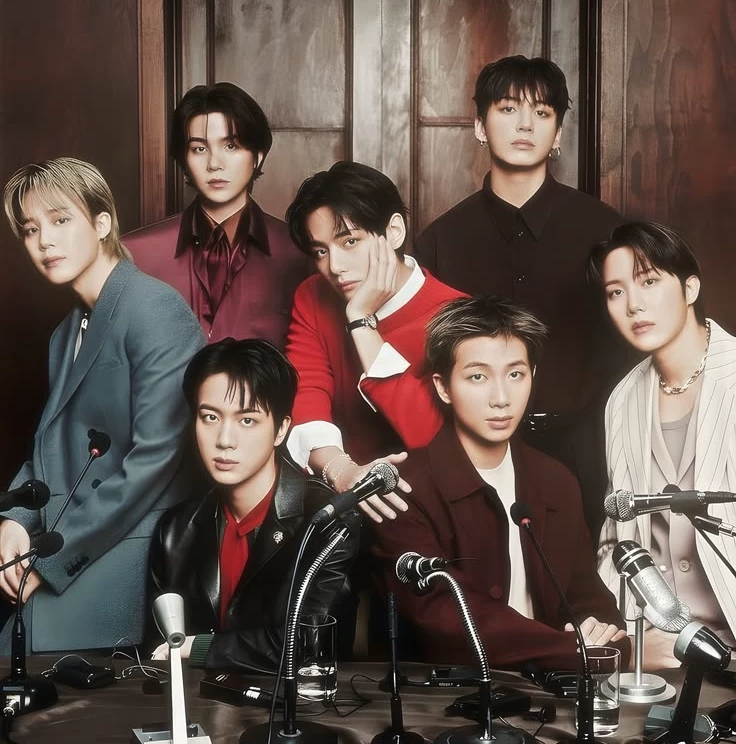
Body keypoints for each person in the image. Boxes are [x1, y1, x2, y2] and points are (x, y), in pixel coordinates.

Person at [414, 55, 627, 533]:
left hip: (590, 449)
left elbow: (629, 348)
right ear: (480, 126)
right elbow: (427, 363)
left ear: (558, 133)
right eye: (508, 109)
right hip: (474, 454)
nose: (525, 124)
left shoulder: (605, 230)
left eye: (542, 112)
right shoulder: (440, 241)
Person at [0, 157, 204, 651]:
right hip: (71, 531)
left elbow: (154, 459)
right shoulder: (65, 332)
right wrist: (15, 518)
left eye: (60, 220)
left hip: (131, 543)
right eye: (30, 229)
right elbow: (50, 447)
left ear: (102, 224)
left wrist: (51, 558)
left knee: (21, 657)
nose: (44, 241)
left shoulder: (154, 308)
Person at [371, 295, 628, 669]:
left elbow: (587, 596)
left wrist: (604, 635)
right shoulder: (405, 489)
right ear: (443, 388)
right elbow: (445, 621)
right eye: (478, 377)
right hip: (447, 693)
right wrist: (576, 653)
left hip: (551, 687)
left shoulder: (555, 481)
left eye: (515, 374)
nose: (502, 398)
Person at [147, 338, 359, 672]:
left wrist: (197, 648)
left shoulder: (328, 520)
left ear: (281, 430)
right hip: (196, 702)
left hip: (301, 702)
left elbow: (309, 644)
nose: (224, 440)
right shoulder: (175, 531)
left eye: (247, 420)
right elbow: (158, 653)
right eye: (210, 417)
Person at [285, 160, 465, 523]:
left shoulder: (457, 314)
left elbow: (430, 435)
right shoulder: (312, 296)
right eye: (321, 251)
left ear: (394, 232)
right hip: (337, 498)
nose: (335, 266)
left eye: (350, 241)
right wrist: (343, 472)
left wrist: (360, 320)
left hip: (433, 508)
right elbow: (306, 396)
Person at [590, 222, 736, 669]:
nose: (633, 304)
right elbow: (617, 533)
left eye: (649, 281)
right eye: (616, 292)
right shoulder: (622, 400)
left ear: (690, 288)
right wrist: (630, 639)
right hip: (658, 650)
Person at [124, 82, 309, 347]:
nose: (214, 164)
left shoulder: (298, 253)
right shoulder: (134, 254)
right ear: (184, 161)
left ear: (257, 156)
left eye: (231, 146)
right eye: (199, 149)